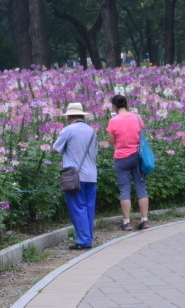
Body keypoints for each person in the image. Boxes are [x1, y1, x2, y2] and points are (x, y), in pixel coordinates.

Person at [53, 102, 98, 250]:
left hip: (74, 176)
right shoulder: (92, 131)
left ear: (69, 116)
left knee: (78, 207)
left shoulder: (68, 130)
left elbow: (55, 149)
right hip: (91, 175)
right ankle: (88, 237)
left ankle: (84, 241)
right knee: (89, 207)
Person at [106, 94, 149, 230]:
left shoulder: (113, 121)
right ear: (126, 104)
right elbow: (140, 132)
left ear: (114, 106)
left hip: (121, 158)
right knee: (141, 187)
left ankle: (126, 222)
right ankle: (144, 220)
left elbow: (112, 141)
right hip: (137, 156)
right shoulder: (137, 117)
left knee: (124, 189)